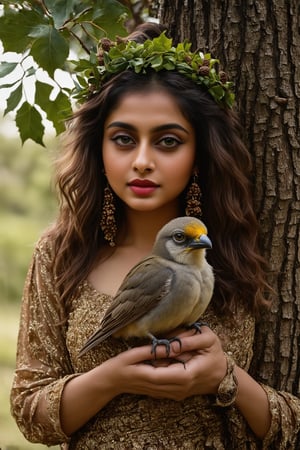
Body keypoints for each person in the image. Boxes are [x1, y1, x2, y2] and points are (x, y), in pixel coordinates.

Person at [10, 22, 300, 449]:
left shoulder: (242, 252)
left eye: (167, 141)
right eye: (124, 139)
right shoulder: (62, 253)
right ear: (99, 148)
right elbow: (29, 413)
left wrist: (226, 377)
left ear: (199, 152)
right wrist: (112, 377)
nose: (143, 161)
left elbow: (290, 425)